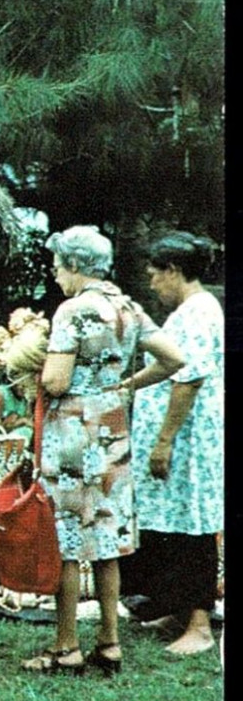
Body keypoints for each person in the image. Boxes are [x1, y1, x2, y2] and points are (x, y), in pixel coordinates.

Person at [25, 225, 185, 676]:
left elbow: (55, 380)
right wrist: (126, 383)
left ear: (74, 265)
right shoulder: (127, 307)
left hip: (72, 435)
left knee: (69, 540)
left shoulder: (72, 311)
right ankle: (110, 643)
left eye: (58, 267)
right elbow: (174, 358)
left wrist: (34, 369)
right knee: (107, 540)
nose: (56, 275)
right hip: (112, 431)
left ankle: (67, 646)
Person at [122, 231, 224, 656]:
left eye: (154, 276)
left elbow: (190, 378)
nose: (151, 284)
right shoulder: (185, 312)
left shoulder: (200, 311)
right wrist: (126, 385)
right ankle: (180, 609)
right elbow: (166, 366)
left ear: (174, 271)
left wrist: (164, 440)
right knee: (172, 524)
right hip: (178, 436)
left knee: (192, 526)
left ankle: (199, 624)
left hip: (189, 439)